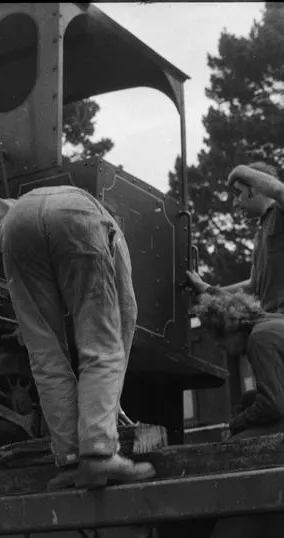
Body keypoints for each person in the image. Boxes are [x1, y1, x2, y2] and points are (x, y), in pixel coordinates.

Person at [0, 186, 155, 489]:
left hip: (18, 226)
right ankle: (98, 455)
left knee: (46, 357)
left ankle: (70, 461)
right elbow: (126, 311)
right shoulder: (108, 226)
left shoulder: (20, 204)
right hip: (79, 223)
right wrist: (111, 390)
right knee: (102, 348)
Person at [191, 291, 284, 538]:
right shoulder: (274, 322)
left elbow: (274, 405)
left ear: (229, 328)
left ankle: (234, 515)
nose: (220, 347)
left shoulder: (259, 339)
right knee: (248, 399)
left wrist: (234, 425)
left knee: (232, 449)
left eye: (218, 339)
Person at [187, 162, 284, 314]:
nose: (235, 203)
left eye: (238, 193)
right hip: (271, 318)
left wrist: (240, 171)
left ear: (257, 188)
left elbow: (279, 190)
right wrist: (207, 289)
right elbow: (252, 286)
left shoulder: (280, 211)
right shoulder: (260, 233)